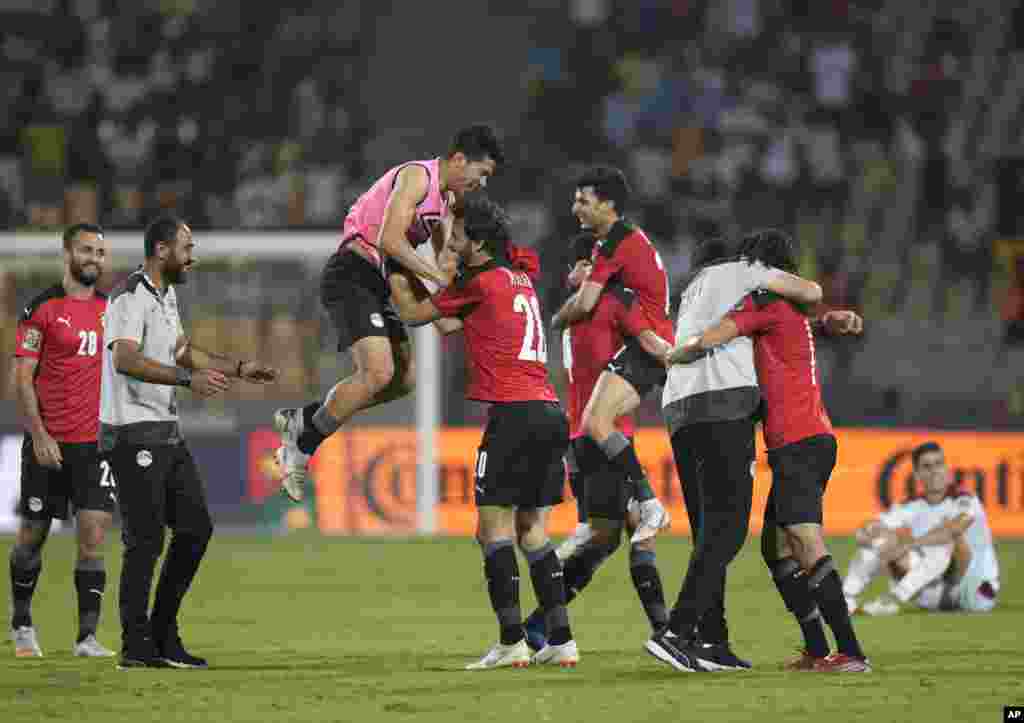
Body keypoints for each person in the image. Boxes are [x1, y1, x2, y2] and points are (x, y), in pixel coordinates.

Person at [665, 229, 871, 673]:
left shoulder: (763, 304)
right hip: (805, 439)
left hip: (799, 442)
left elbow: (712, 336)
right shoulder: (787, 313)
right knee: (775, 550)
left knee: (805, 541)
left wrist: (681, 351)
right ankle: (818, 650)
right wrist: (832, 320)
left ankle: (851, 652)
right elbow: (794, 328)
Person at [390, 196, 578, 669]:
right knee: (532, 530)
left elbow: (415, 316)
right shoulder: (517, 280)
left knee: (490, 530)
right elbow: (454, 323)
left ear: (477, 242)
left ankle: (512, 641)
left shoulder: (478, 281)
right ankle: (561, 640)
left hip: (512, 415)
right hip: (548, 411)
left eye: (456, 238)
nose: (450, 244)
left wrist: (396, 271)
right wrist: (438, 292)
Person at [273, 125, 504, 502]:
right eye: (482, 174)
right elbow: (389, 241)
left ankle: (305, 418)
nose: (482, 184)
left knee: (403, 379)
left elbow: (437, 277)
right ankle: (299, 447)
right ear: (460, 160)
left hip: (377, 280)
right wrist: (440, 280)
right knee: (378, 372)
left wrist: (466, 311)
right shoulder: (418, 176)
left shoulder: (444, 203)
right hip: (352, 270)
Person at [100, 216, 278, 669]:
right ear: (161, 250)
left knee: (196, 527)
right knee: (144, 541)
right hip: (132, 431)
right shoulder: (129, 295)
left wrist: (238, 368)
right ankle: (135, 647)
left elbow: (181, 350)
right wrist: (186, 380)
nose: (192, 255)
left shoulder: (167, 296)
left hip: (165, 431)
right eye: (186, 246)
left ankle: (162, 633)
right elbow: (124, 358)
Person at [523, 230, 671, 653]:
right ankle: (666, 632)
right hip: (606, 438)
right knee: (628, 532)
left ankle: (543, 625)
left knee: (606, 536)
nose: (597, 270)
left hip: (577, 439)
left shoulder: (570, 315)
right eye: (589, 263)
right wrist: (692, 353)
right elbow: (652, 344)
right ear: (577, 270)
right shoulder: (613, 301)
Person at [551, 166, 674, 570]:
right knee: (592, 422)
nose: (576, 208)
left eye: (583, 201)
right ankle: (621, 511)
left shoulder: (614, 243)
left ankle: (650, 503)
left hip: (646, 345)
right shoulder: (624, 240)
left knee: (597, 423)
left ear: (608, 204)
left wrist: (557, 318)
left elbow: (584, 304)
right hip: (646, 343)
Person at [10, 224, 116, 658]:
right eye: (87, 250)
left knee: (93, 536)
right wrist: (38, 435)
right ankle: (21, 623)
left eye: (101, 252)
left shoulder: (113, 310)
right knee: (32, 536)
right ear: (68, 253)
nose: (95, 258)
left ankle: (86, 638)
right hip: (48, 444)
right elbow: (22, 377)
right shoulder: (42, 308)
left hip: (96, 446)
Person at [844, 442, 1000, 615]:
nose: (934, 471)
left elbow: (953, 530)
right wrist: (869, 534)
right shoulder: (910, 505)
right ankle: (846, 598)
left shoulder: (965, 500)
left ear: (946, 469)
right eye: (927, 466)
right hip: (933, 589)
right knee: (879, 541)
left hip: (976, 587)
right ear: (917, 474)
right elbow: (872, 527)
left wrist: (908, 544)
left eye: (938, 464)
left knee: (945, 541)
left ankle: (893, 599)